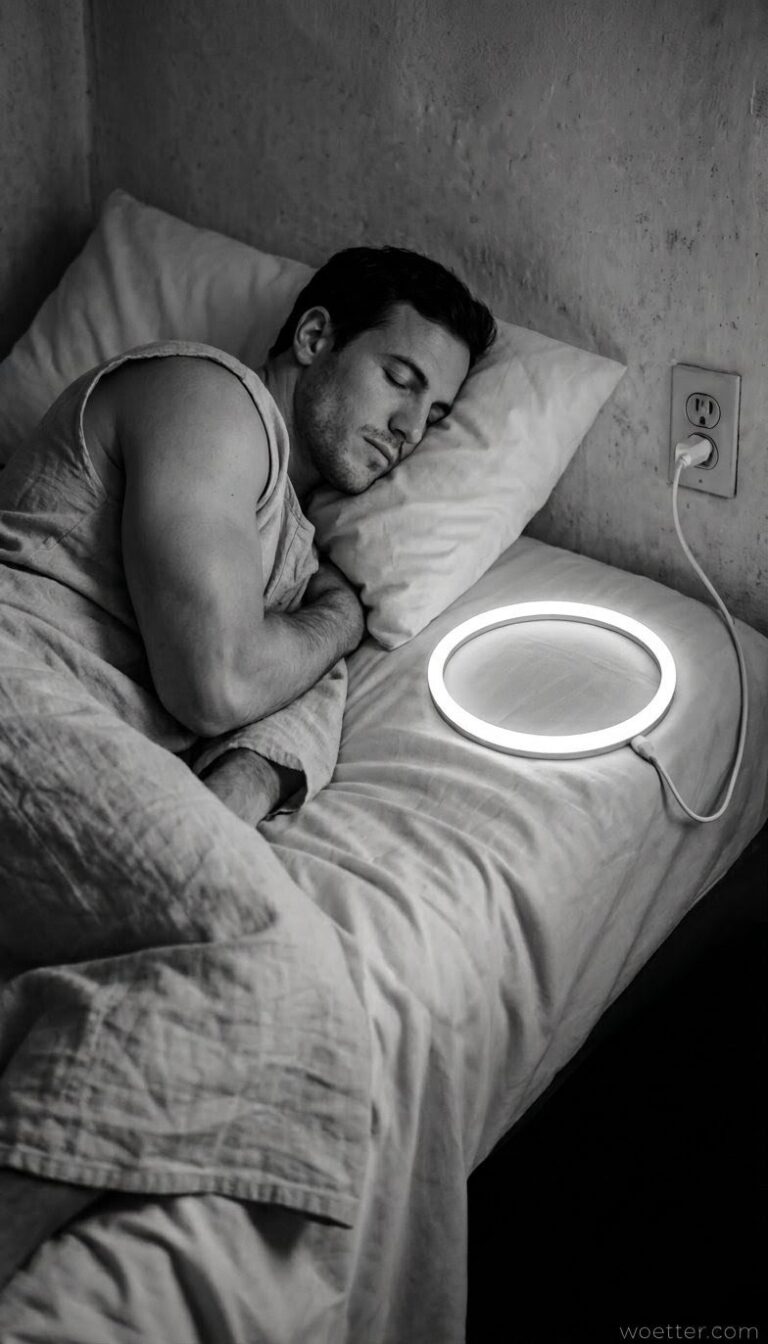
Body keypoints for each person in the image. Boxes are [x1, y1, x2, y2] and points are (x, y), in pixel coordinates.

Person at [0, 244, 496, 1287]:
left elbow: (250, 772)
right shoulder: (209, 398)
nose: (410, 433)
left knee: (226, 963)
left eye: (438, 416)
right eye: (400, 380)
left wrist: (329, 625)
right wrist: (333, 623)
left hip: (75, 769)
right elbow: (219, 682)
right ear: (315, 339)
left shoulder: (309, 577)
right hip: (17, 682)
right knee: (278, 965)